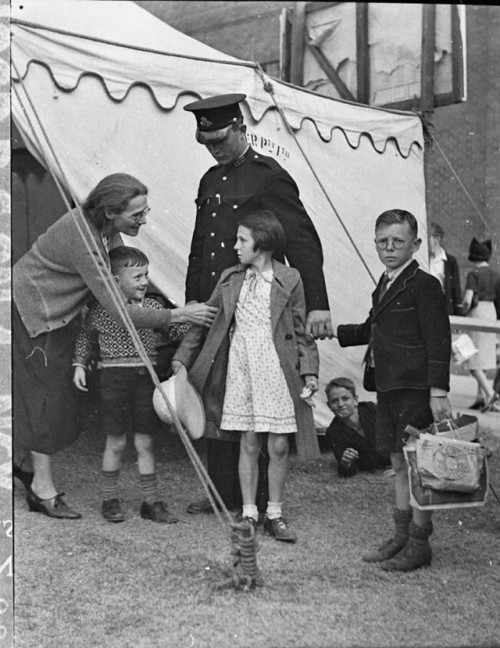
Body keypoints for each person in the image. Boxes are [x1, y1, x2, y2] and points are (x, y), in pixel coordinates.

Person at [13, 173, 217, 519]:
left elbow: (121, 283)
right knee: (44, 397)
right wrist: (179, 314)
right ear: (109, 212)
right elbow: (120, 310)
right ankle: (40, 489)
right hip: (34, 312)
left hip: (59, 313)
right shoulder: (84, 239)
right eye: (136, 215)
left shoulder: (106, 232)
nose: (144, 220)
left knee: (56, 397)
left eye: (146, 211)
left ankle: (24, 464)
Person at [182, 93, 331, 515]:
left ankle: (260, 499)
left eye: (219, 139)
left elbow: (302, 241)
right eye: (206, 141)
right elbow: (200, 249)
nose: (213, 147)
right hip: (218, 303)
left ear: (240, 127)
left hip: (256, 306)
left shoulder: (270, 177)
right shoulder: (209, 181)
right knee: (217, 395)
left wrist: (317, 304)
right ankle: (223, 493)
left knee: (257, 402)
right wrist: (195, 301)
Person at [172, 210, 319, 542]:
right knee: (248, 441)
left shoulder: (290, 278)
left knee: (279, 444)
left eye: (242, 240)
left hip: (275, 367)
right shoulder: (230, 278)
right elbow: (204, 321)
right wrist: (182, 358)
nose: (235, 245)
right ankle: (250, 512)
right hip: (240, 366)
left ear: (262, 244)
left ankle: (275, 514)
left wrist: (309, 371)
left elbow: (301, 330)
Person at [332, 209, 452, 572]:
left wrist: (439, 390)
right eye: (383, 241)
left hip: (415, 389)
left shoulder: (425, 285)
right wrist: (332, 332)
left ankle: (419, 543)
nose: (389, 248)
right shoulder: (383, 283)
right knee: (398, 461)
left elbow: (439, 341)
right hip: (388, 386)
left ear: (415, 245)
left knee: (417, 465)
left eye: (398, 242)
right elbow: (372, 329)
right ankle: (401, 537)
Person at [73, 246, 188, 523]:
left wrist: (192, 319)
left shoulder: (153, 307)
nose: (145, 281)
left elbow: (174, 330)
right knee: (115, 441)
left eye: (146, 275)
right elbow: (86, 337)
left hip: (145, 381)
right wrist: (79, 364)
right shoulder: (101, 310)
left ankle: (151, 502)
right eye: (137, 276)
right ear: (114, 281)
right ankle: (109, 499)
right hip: (114, 381)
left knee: (145, 442)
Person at [461, 238, 500, 412]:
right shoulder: (495, 274)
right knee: (483, 356)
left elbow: (468, 300)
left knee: (472, 358)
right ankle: (481, 397)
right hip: (491, 312)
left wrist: (462, 310)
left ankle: (490, 394)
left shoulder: (473, 274)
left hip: (477, 314)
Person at [324, 377, 390, 477]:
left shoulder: (371, 410)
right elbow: (346, 469)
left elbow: (400, 435)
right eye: (334, 401)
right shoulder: (333, 432)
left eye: (345, 399)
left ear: (355, 400)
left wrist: (400, 466)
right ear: (329, 406)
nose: (340, 404)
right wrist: (346, 463)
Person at [428, 222, 462, 315]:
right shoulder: (424, 260)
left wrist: (458, 314)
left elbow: (456, 290)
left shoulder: (450, 261)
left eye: (428, 238)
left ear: (437, 239)